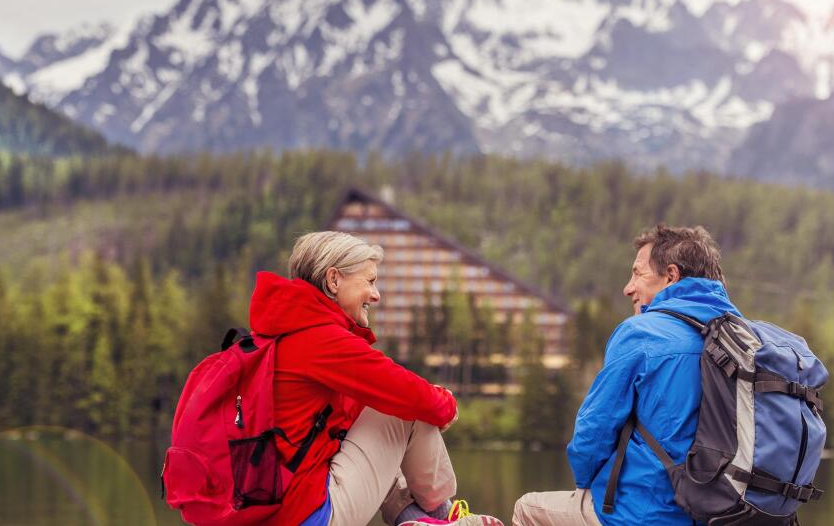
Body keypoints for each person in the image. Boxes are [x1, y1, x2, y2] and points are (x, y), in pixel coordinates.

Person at [250, 231, 503, 526]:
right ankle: (444, 515)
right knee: (406, 411)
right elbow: (411, 395)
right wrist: (446, 402)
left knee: (376, 412)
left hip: (279, 508)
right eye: (369, 281)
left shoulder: (284, 332)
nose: (376, 294)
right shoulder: (322, 340)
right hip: (308, 516)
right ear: (334, 280)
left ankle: (418, 519)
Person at [512, 224, 738, 526]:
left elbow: (591, 436)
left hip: (646, 515)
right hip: (727, 515)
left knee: (528, 508)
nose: (628, 287)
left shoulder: (642, 333)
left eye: (637, 273)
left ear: (670, 276)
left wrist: (587, 481)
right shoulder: (741, 338)